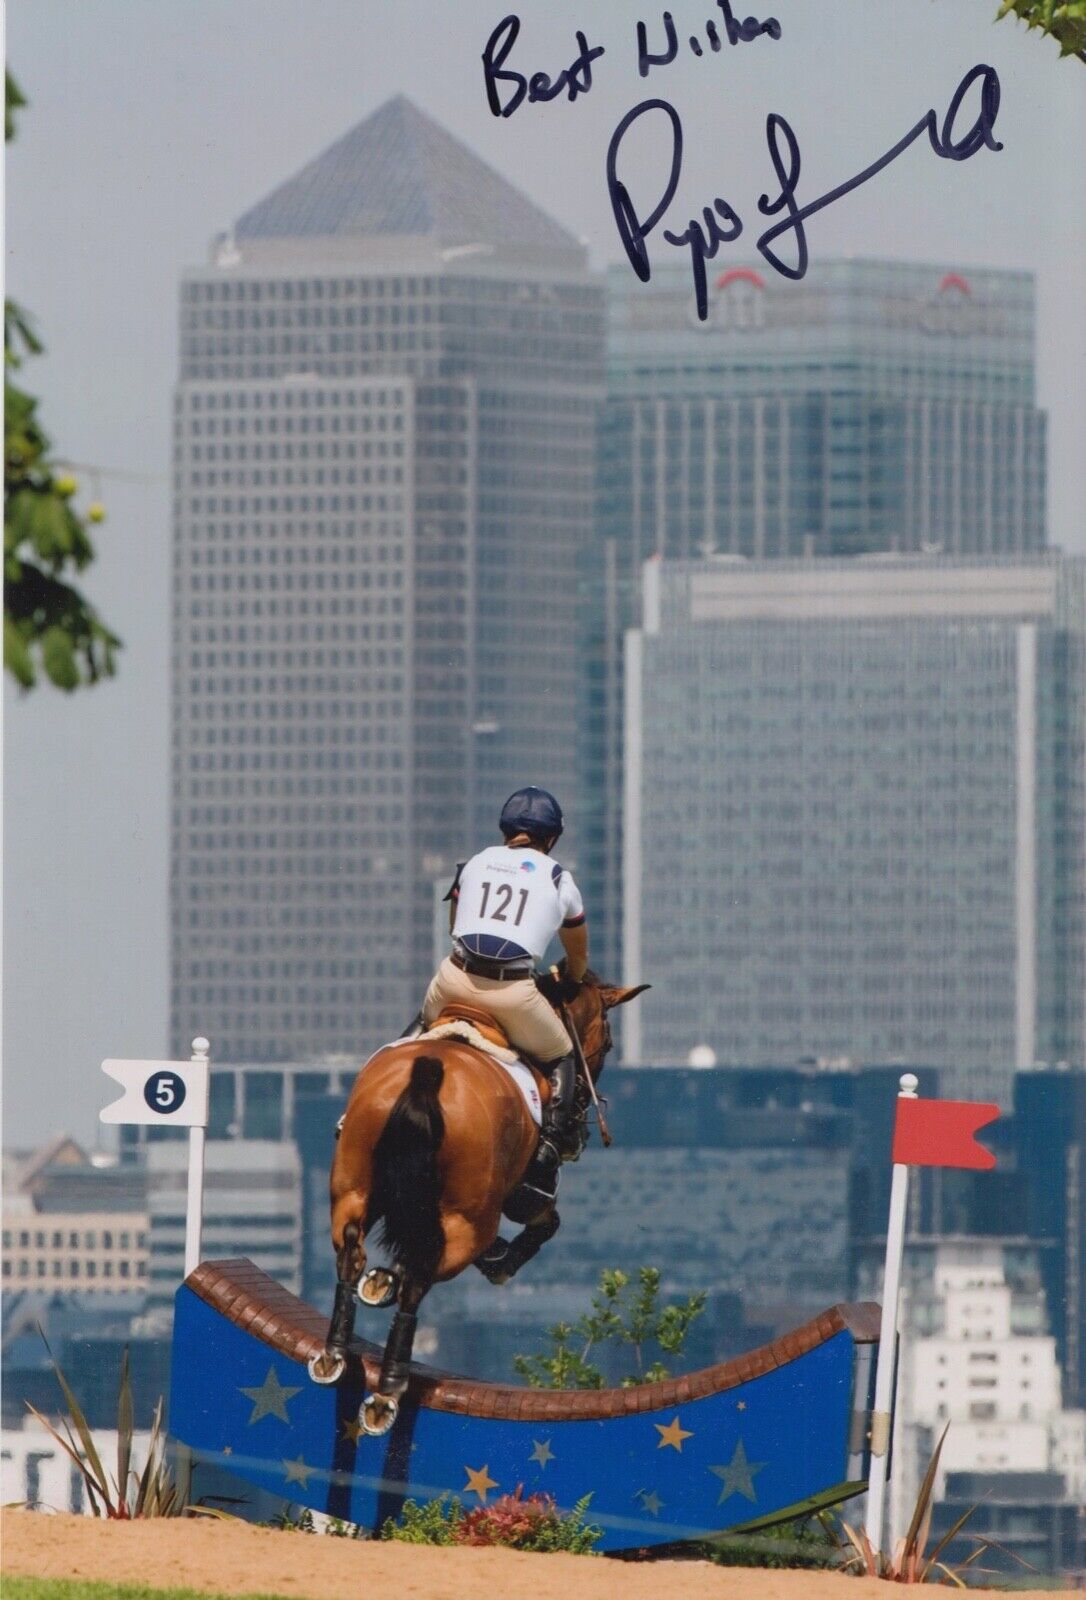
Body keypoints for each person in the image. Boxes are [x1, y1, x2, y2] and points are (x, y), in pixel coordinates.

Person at [422, 786, 589, 1204]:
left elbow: (454, 925)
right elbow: (578, 954)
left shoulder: (477, 861)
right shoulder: (559, 878)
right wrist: (572, 978)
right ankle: (549, 1145)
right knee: (564, 1053)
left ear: (506, 831)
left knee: (421, 1029)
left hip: (454, 978)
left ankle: (353, 1110)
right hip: (511, 992)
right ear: (551, 839)